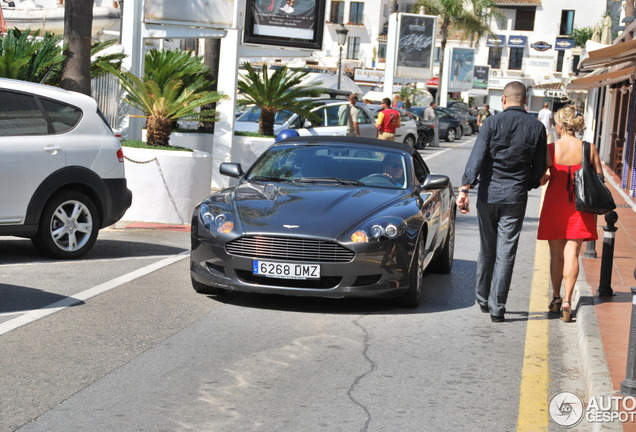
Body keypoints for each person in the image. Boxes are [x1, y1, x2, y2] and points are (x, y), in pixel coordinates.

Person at [456, 81, 547, 322]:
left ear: (503, 100)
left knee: (488, 248)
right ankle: (498, 307)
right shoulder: (537, 127)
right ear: (525, 101)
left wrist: (464, 188)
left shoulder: (492, 122)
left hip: (488, 194)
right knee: (506, 253)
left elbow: (477, 157)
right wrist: (529, 184)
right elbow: (538, 169)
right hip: (515, 196)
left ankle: (483, 298)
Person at [537, 106, 601, 323]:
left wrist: (548, 176)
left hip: (555, 205)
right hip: (580, 207)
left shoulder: (551, 149)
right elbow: (600, 179)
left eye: (556, 123)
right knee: (572, 253)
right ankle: (567, 300)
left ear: (561, 126)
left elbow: (541, 179)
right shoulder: (589, 148)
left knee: (556, 254)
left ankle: (555, 298)